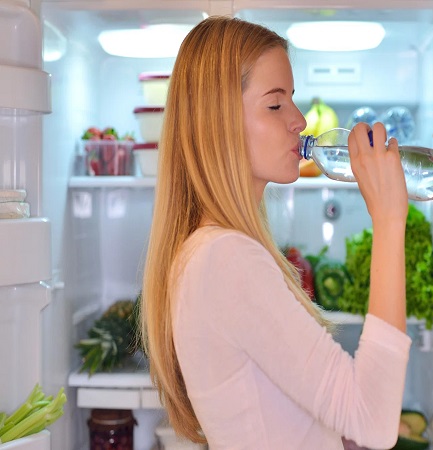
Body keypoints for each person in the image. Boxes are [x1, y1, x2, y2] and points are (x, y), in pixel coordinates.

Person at [140, 15, 411, 450]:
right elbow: (373, 422)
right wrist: (389, 218)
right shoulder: (225, 259)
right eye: (275, 104)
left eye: (293, 102)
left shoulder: (209, 252)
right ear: (219, 121)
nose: (299, 121)